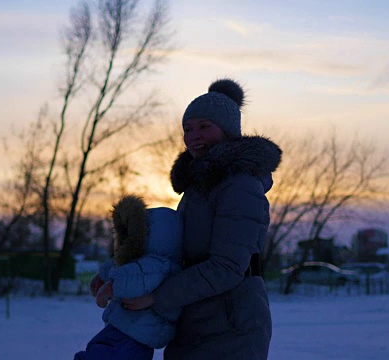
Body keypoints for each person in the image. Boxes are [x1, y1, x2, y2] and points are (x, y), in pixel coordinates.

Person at [122, 78, 282, 359]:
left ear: (228, 130)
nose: (194, 136)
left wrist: (158, 297)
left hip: (232, 325)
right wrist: (118, 278)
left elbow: (228, 267)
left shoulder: (240, 186)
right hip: (194, 319)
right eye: (188, 129)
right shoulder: (199, 188)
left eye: (204, 127)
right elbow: (175, 253)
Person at [74, 195, 183, 360]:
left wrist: (109, 288)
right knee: (98, 350)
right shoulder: (149, 265)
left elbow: (131, 278)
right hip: (129, 330)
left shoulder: (158, 266)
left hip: (134, 334)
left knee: (101, 354)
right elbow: (122, 267)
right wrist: (102, 276)